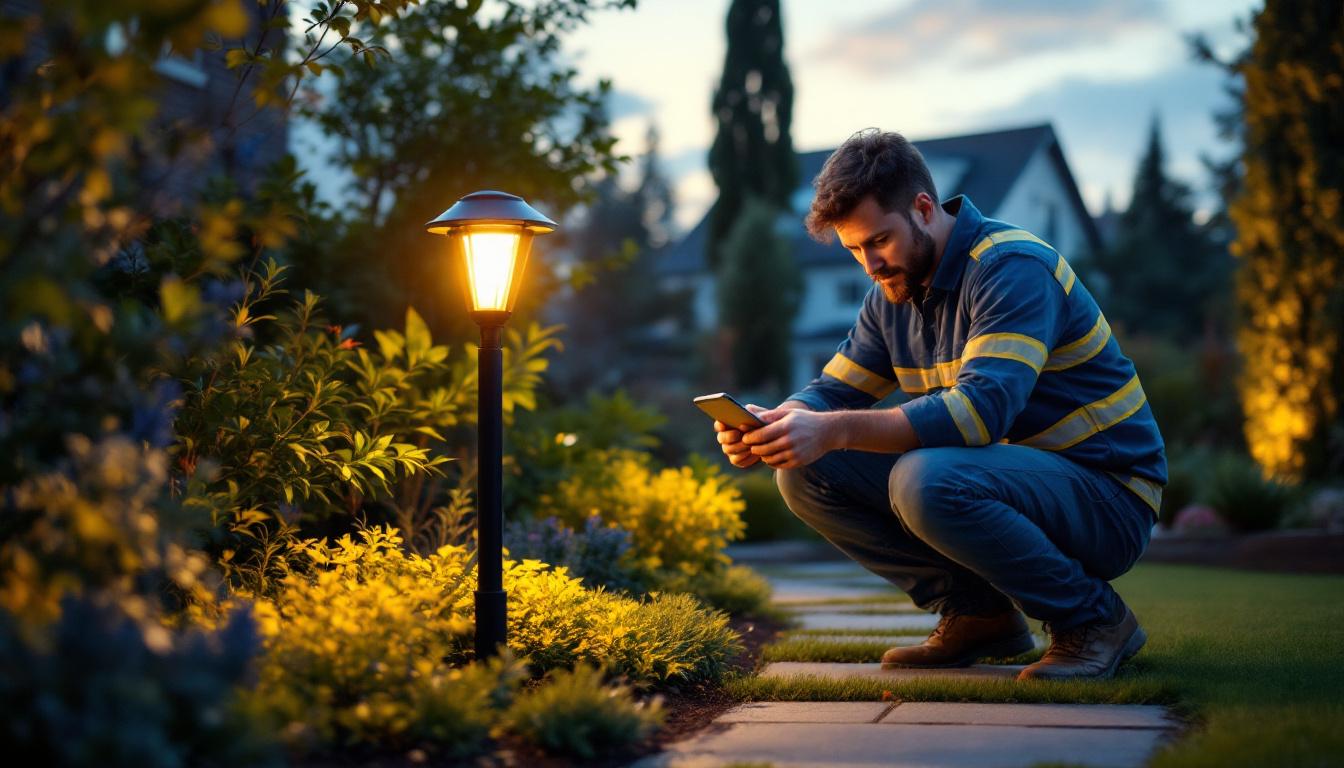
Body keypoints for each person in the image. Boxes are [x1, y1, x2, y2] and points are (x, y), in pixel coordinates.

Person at [714, 129, 1166, 681]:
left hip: (1108, 496)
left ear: (924, 208)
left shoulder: (1012, 267)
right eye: (854, 249)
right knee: (806, 470)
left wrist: (831, 429)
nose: (870, 265)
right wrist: (778, 423)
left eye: (879, 240)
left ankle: (1095, 621)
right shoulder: (893, 295)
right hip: (1014, 486)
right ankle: (978, 615)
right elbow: (832, 394)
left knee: (923, 478)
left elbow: (981, 413)